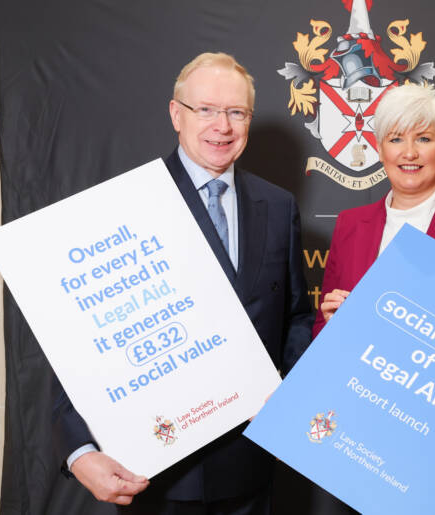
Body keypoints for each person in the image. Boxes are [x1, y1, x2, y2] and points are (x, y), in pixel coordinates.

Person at [52, 52, 313, 513]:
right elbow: (82, 341)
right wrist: (79, 450)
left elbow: (295, 316)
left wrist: (289, 388)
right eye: (206, 109)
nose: (223, 126)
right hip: (157, 473)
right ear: (177, 114)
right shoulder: (124, 205)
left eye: (236, 112)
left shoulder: (278, 206)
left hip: (253, 467)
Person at [314, 83, 435, 513]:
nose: (409, 152)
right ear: (378, 148)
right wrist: (331, 324)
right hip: (362, 435)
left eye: (423, 138)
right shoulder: (351, 224)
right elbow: (322, 332)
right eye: (396, 138)